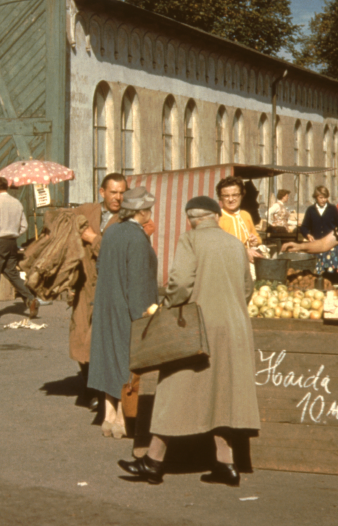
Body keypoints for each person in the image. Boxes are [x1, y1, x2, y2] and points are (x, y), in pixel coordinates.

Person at [118, 196, 259, 486]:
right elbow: (248, 287)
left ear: (191, 219)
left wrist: (168, 304)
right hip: (235, 330)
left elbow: (180, 284)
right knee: (223, 394)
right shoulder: (235, 243)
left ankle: (153, 462)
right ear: (216, 217)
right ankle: (226, 465)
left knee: (173, 388)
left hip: (198, 329)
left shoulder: (190, 240)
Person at [89, 186, 158, 440]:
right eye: (148, 209)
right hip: (126, 307)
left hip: (106, 303)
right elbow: (139, 284)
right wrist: (145, 316)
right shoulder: (137, 238)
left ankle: (108, 417)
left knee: (109, 357)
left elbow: (101, 266)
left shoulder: (112, 231)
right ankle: (121, 419)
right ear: (141, 212)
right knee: (127, 361)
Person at [70, 173, 127, 410]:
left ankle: (103, 391)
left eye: (122, 192)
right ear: (102, 192)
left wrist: (94, 239)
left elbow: (121, 251)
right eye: (113, 192)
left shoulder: (127, 219)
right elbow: (59, 222)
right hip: (84, 285)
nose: (118, 197)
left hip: (110, 287)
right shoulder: (86, 210)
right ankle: (90, 386)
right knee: (80, 337)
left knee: (102, 339)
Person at [0, 177, 38, 319]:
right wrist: (13, 233)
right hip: (11, 242)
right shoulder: (16, 202)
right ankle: (30, 298)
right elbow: (24, 226)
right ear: (7, 187)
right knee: (12, 273)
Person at [216, 176, 262, 262]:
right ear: (220, 197)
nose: (230, 199)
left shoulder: (246, 215)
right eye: (226, 196)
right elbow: (217, 246)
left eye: (235, 195)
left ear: (242, 195)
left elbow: (257, 237)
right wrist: (244, 252)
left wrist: (255, 241)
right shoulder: (218, 218)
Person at [299, 186, 338, 280]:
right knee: (315, 275)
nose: (323, 200)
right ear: (316, 197)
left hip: (331, 247)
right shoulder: (311, 210)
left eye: (325, 197)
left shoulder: (332, 209)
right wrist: (308, 235)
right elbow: (304, 227)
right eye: (320, 197)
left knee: (331, 275)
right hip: (316, 246)